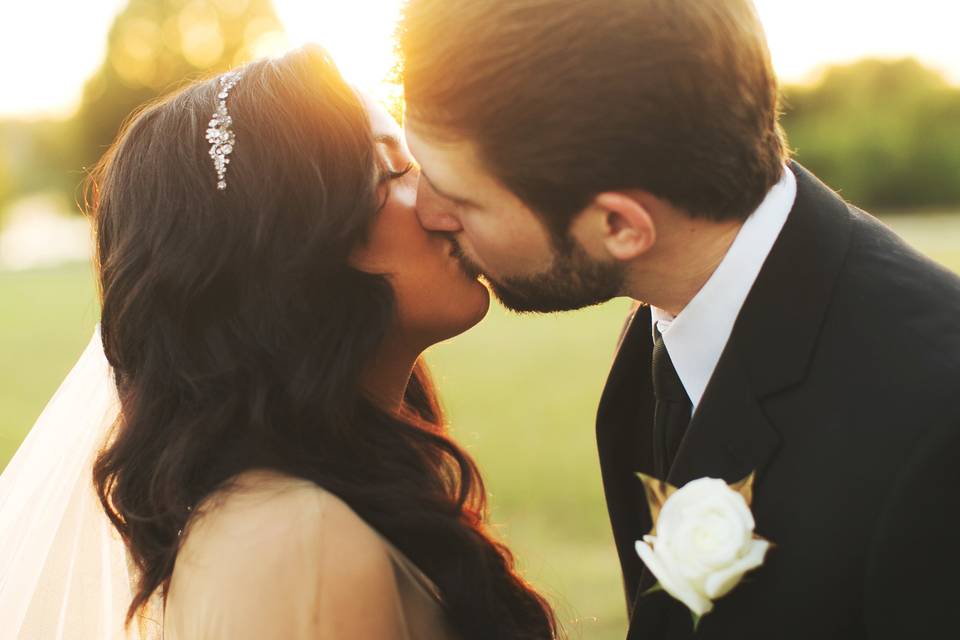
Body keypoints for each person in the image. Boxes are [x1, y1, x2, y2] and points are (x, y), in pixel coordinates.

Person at [398, 0, 960, 638]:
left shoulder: (938, 427)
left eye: (460, 195)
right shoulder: (665, 327)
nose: (426, 209)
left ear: (620, 226)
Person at [0, 46, 557, 640]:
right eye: (391, 174)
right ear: (294, 257)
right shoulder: (297, 546)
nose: (437, 197)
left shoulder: (325, 497)